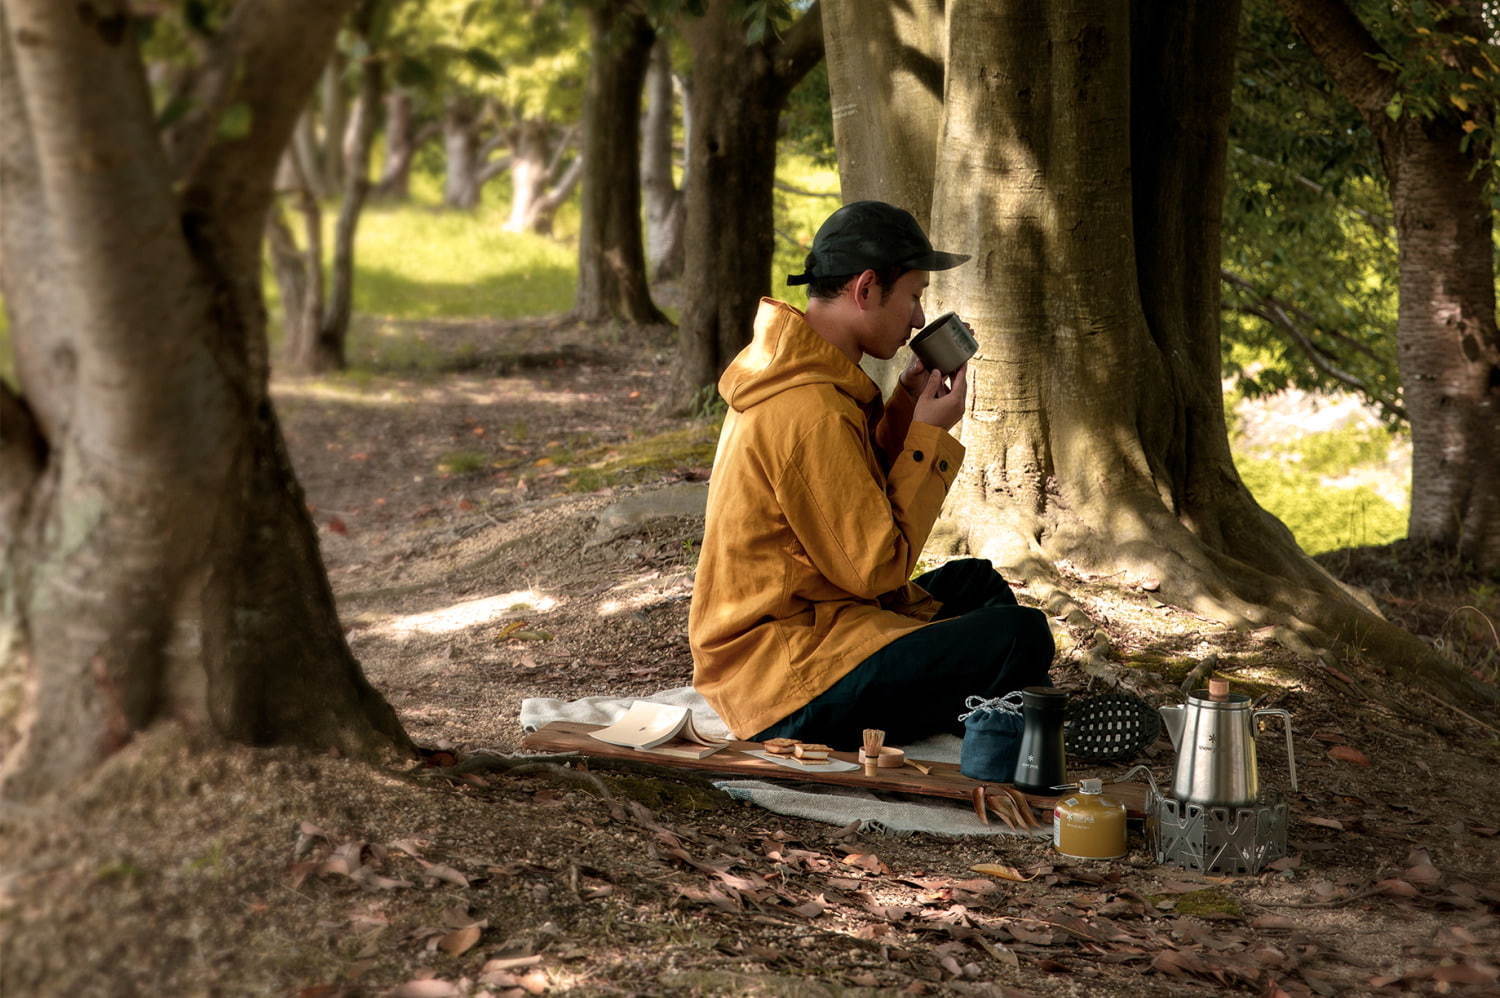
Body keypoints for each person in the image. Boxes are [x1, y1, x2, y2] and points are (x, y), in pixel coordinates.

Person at [688, 200, 1055, 751]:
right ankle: (1006, 717)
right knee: (1020, 635)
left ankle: (1000, 709)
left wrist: (907, 404)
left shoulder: (801, 378)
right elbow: (876, 568)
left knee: (972, 583)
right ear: (865, 290)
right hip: (785, 681)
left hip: (817, 627)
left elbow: (848, 499)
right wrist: (929, 439)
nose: (915, 319)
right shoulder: (812, 410)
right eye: (912, 297)